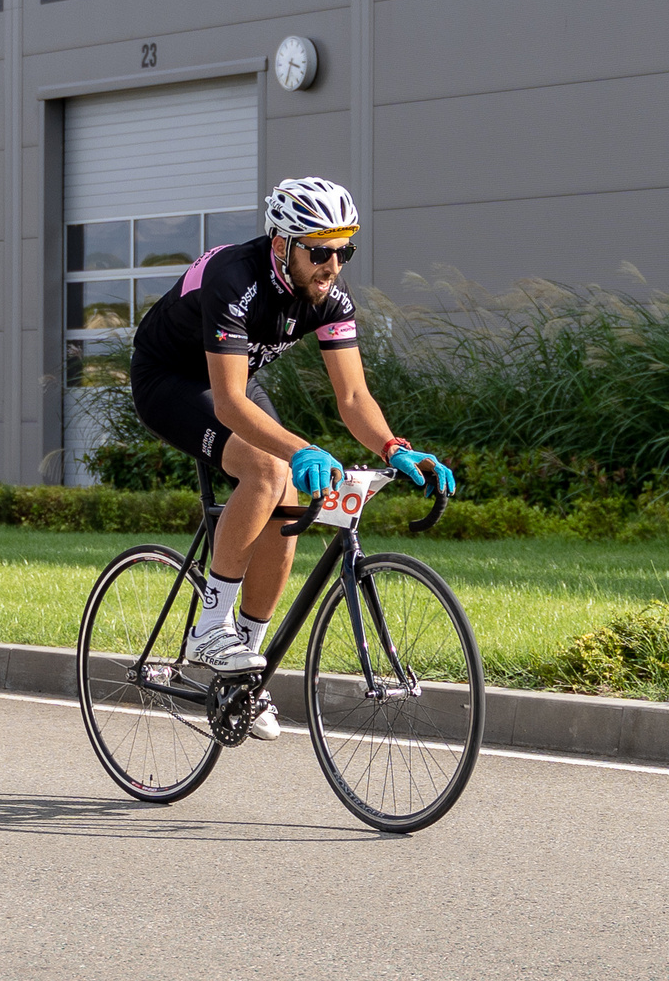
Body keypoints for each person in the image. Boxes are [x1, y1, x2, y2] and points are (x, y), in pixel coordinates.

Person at [125, 176, 454, 740]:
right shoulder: (234, 277)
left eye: (343, 251)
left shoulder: (329, 298)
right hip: (170, 382)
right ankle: (211, 625)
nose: (333, 265)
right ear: (282, 245)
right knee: (269, 466)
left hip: (230, 381)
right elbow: (228, 404)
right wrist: (301, 447)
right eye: (320, 251)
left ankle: (244, 672)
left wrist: (393, 447)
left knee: (290, 494)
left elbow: (352, 397)